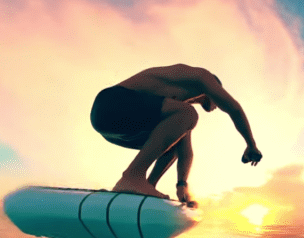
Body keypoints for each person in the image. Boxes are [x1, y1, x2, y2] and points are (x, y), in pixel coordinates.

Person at [90, 64, 263, 207]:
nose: (218, 104)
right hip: (111, 103)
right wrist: (251, 145)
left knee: (175, 140)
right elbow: (234, 109)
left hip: (112, 126)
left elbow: (185, 152)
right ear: (214, 88)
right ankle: (132, 176)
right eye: (218, 93)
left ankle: (146, 185)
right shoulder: (201, 77)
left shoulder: (175, 110)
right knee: (188, 114)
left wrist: (182, 185)